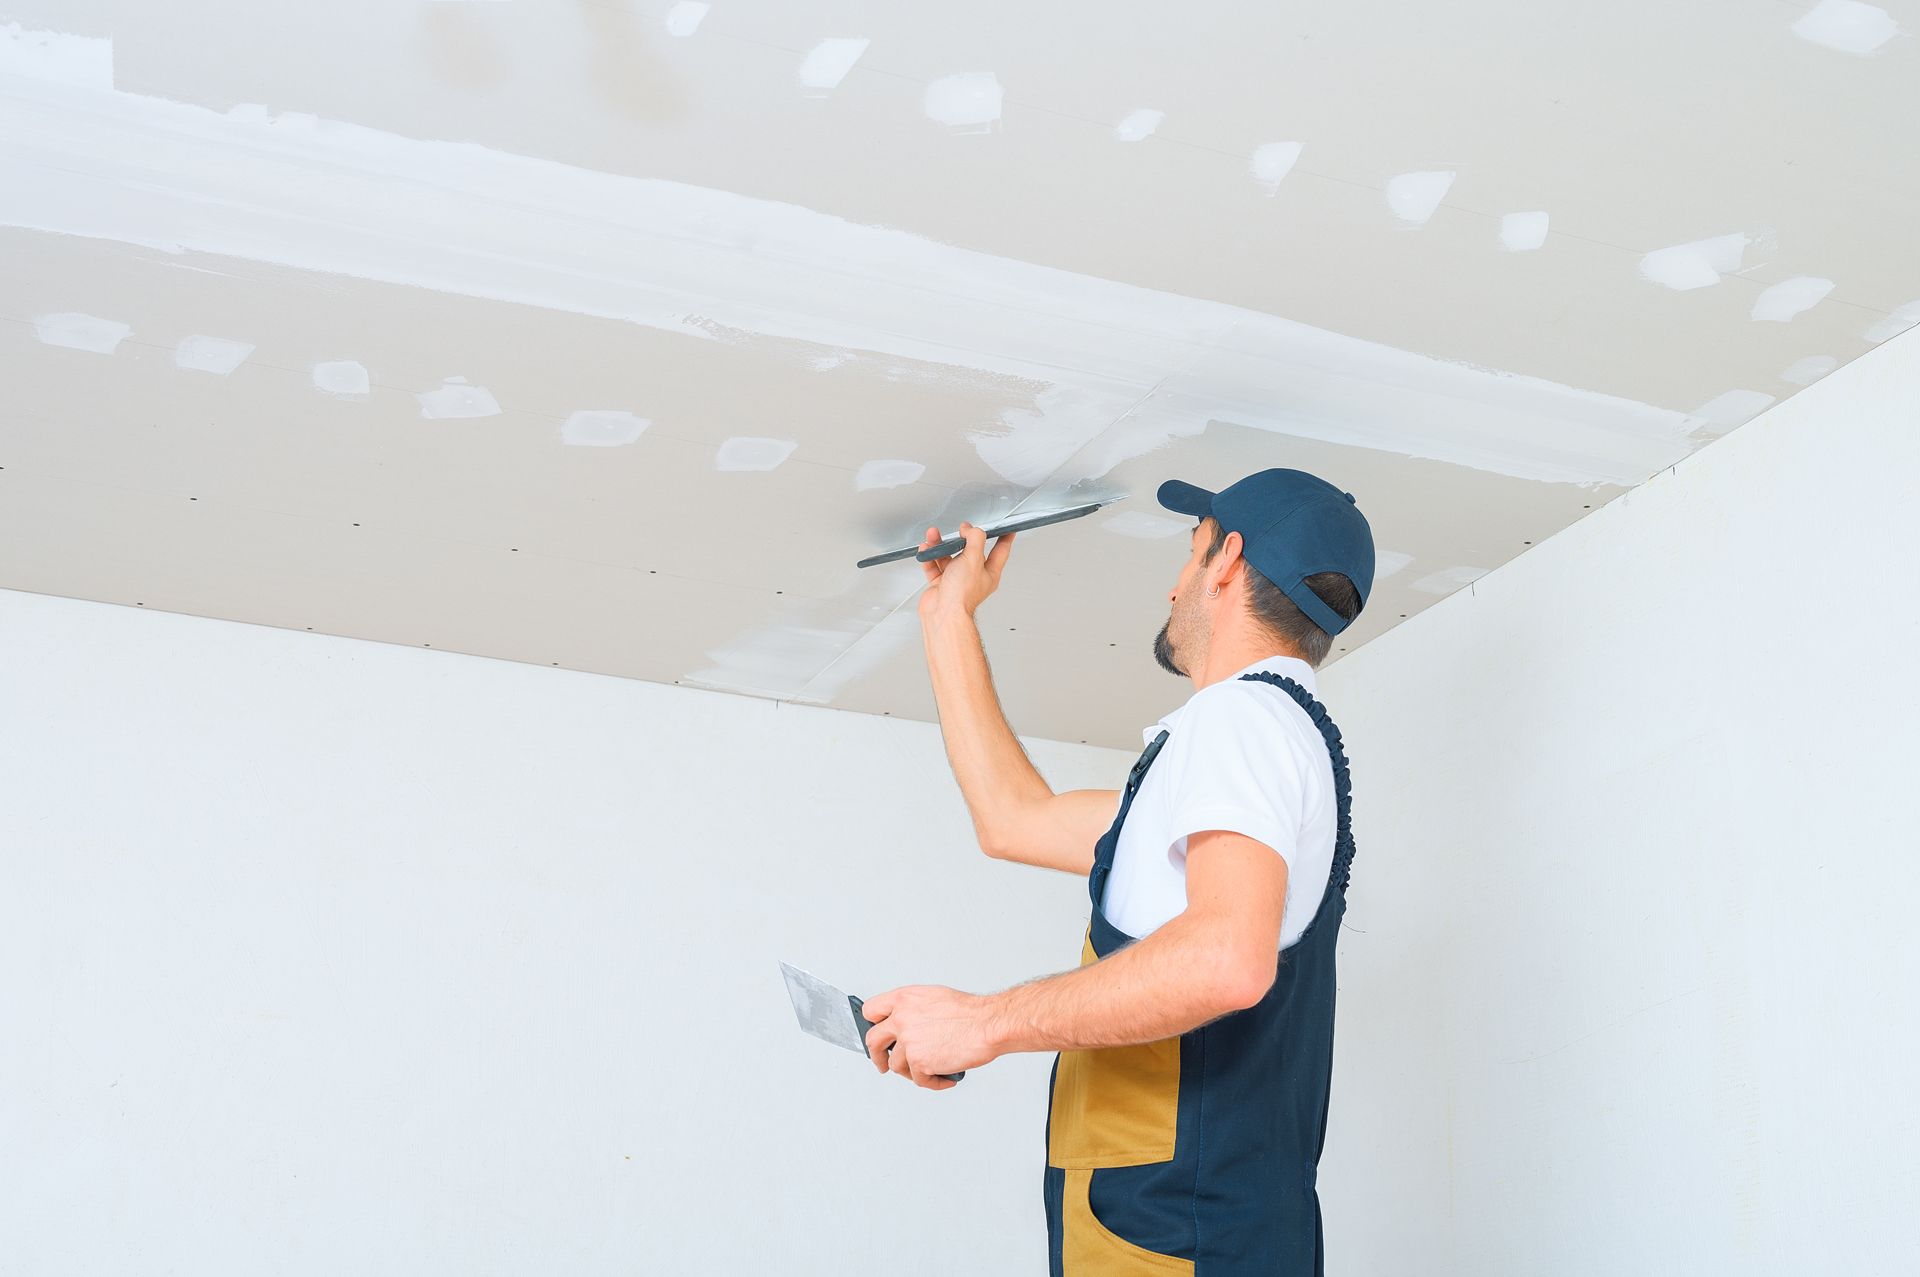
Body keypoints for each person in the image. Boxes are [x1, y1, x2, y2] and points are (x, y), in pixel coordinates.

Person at [861, 468, 1375, 1275]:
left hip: (1181, 1241)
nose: (1175, 584)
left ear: (1228, 560)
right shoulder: (1251, 746)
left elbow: (1226, 959)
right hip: (1172, 1234)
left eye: (1190, 552)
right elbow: (1012, 818)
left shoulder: (1241, 720)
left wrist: (983, 1023)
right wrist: (945, 614)